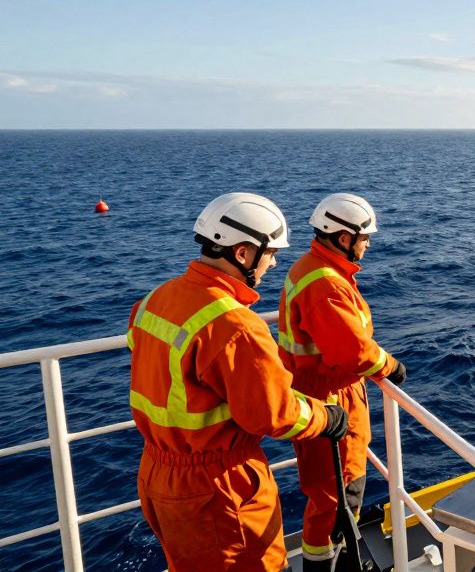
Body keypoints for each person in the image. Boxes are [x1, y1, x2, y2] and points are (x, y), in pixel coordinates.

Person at [128, 192, 350, 571]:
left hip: (158, 475)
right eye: (270, 253)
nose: (274, 263)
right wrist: (325, 417)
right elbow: (273, 413)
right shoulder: (235, 325)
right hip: (218, 488)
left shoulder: (155, 299)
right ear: (243, 254)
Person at [278, 193, 407, 570]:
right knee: (339, 494)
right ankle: (334, 564)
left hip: (318, 394)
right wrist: (391, 366)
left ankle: (331, 559)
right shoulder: (327, 284)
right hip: (332, 402)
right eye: (364, 237)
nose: (367, 245)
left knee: (327, 496)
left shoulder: (311, 268)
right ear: (343, 237)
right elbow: (353, 352)